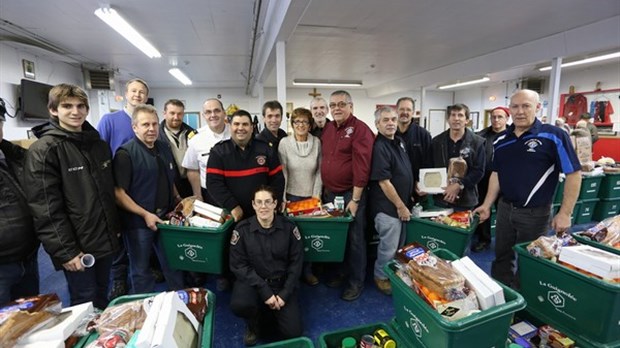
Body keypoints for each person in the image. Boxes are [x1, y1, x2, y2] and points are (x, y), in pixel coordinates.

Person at [24, 84, 120, 309]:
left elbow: (106, 193)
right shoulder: (45, 150)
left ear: (87, 110)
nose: (75, 112)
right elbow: (46, 209)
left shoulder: (99, 145)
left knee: (102, 295)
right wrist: (67, 252)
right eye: (67, 106)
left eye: (80, 106)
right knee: (83, 303)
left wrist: (113, 229)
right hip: (76, 246)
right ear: (53, 110)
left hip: (103, 239)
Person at [474, 89, 582, 288]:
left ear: (538, 108)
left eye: (526, 106)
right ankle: (504, 299)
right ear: (510, 110)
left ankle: (525, 308)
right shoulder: (501, 140)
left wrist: (565, 213)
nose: (520, 111)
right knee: (502, 258)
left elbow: (574, 174)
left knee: (531, 262)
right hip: (505, 210)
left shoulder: (554, 136)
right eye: (515, 106)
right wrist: (487, 204)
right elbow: (496, 174)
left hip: (536, 213)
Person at [113, 104, 184, 294]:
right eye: (145, 125)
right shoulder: (125, 154)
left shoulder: (163, 147)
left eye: (154, 124)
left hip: (166, 217)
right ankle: (144, 308)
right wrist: (145, 214)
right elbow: (119, 194)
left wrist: (178, 198)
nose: (151, 129)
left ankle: (180, 302)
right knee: (141, 269)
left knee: (173, 263)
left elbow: (169, 177)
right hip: (138, 222)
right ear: (135, 127)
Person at [229, 185, 303, 346]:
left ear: (275, 204)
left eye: (268, 202)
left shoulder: (290, 229)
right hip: (254, 284)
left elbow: (296, 264)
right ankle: (253, 325)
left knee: (294, 333)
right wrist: (265, 291)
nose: (264, 206)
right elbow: (238, 265)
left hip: (281, 283)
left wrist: (284, 294)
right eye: (259, 202)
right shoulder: (242, 231)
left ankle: (273, 311)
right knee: (240, 304)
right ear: (253, 205)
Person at [98, 78, 150, 299]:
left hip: (143, 189)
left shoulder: (148, 119)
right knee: (118, 241)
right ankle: (119, 280)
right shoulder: (110, 121)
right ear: (126, 94)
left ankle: (145, 269)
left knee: (141, 241)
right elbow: (100, 153)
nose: (137, 95)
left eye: (142, 92)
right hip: (117, 190)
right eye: (134, 91)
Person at [321, 90, 374, 301]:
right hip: (331, 195)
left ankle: (356, 282)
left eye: (341, 104)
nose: (337, 108)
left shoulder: (360, 130)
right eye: (333, 105)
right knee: (339, 239)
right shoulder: (328, 129)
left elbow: (362, 168)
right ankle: (342, 273)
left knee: (355, 240)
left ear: (351, 106)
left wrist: (356, 199)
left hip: (352, 195)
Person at [207, 109, 285, 223]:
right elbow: (213, 183)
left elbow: (277, 180)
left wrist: (273, 205)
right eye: (236, 124)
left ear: (252, 127)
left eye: (245, 124)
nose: (240, 128)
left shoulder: (266, 149)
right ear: (230, 126)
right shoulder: (219, 152)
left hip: (263, 214)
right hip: (233, 215)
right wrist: (232, 205)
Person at [369, 107, 413, 295]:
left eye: (393, 119)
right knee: (388, 247)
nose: (391, 123)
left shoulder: (398, 142)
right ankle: (381, 277)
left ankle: (392, 272)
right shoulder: (379, 147)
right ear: (377, 124)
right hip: (388, 208)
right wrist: (401, 206)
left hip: (401, 206)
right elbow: (384, 182)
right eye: (385, 120)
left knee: (398, 246)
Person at [278, 107, 322, 286]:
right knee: (292, 238)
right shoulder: (284, 143)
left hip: (310, 197)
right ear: (292, 124)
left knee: (309, 237)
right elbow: (283, 173)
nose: (301, 125)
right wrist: (282, 198)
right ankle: (291, 273)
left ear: (310, 125)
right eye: (297, 122)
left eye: (304, 121)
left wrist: (316, 196)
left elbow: (319, 171)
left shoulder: (317, 142)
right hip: (291, 197)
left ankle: (307, 271)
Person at [0, 115, 40, 305]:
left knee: (29, 321)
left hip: (28, 257)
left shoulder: (14, 157)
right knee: (4, 330)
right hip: (3, 265)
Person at [430, 103, 485, 211]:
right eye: (453, 115)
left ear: (467, 120)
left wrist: (459, 185)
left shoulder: (477, 142)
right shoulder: (436, 141)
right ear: (448, 119)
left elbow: (479, 171)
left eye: (460, 115)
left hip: (466, 201)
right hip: (441, 199)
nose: (456, 119)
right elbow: (430, 166)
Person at [471, 106, 510, 252]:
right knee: (482, 207)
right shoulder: (481, 136)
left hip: (504, 179)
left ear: (507, 119)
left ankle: (503, 242)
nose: (496, 120)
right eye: (494, 116)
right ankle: (483, 238)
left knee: (503, 212)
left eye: (500, 117)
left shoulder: (512, 136)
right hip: (483, 178)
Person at [182, 98, 231, 203]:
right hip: (210, 195)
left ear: (224, 113)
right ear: (204, 116)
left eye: (217, 110)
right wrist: (198, 195)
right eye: (208, 112)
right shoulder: (196, 138)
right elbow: (192, 169)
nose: (213, 115)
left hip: (235, 191)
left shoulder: (235, 133)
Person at [395, 97, 433, 197]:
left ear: (413, 112)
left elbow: (429, 161)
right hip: (395, 187)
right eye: (402, 109)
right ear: (396, 110)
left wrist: (423, 182)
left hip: (418, 188)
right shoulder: (390, 134)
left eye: (408, 109)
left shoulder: (423, 134)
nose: (405, 112)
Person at [158, 99, 195, 198]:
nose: (176, 117)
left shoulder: (193, 133)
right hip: (168, 185)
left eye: (179, 114)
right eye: (172, 113)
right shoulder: (156, 135)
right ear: (164, 114)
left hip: (190, 184)